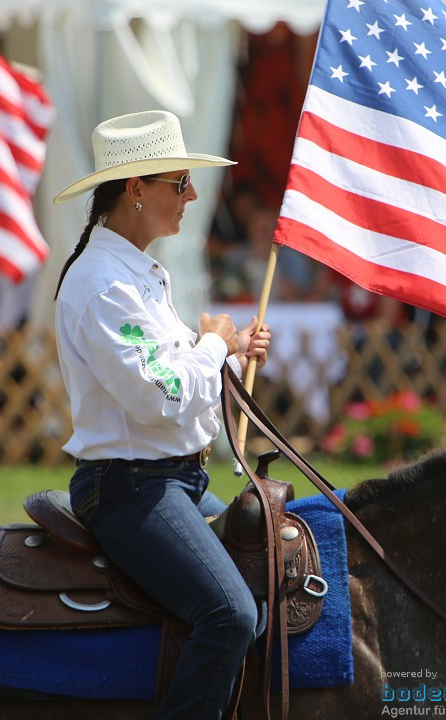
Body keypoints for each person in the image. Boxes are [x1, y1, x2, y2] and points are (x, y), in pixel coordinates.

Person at [51, 110, 271, 720]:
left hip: (167, 482)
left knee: (267, 569)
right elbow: (161, 395)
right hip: (130, 489)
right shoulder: (105, 285)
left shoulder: (136, 274)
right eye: (180, 183)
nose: (192, 196)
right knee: (230, 614)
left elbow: (171, 380)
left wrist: (225, 352)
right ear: (135, 189)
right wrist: (214, 348)